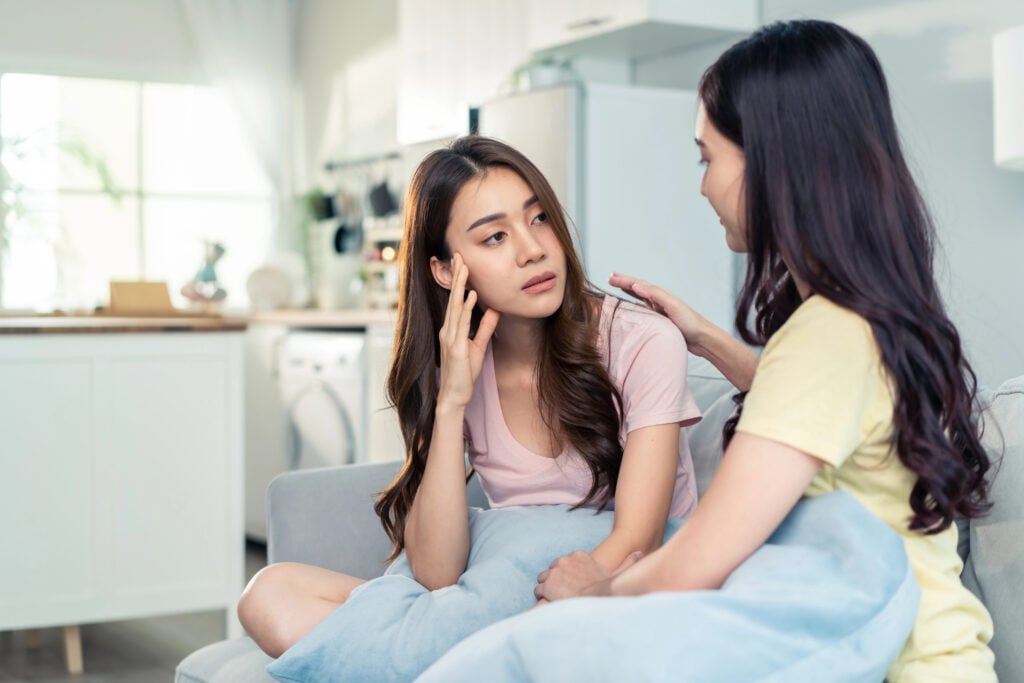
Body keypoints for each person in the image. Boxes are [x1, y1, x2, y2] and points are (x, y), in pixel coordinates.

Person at [534, 19, 996, 683]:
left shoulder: (826, 338)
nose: (702, 186)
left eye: (707, 158)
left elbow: (697, 562)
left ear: (775, 164)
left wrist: (593, 593)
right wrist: (707, 340)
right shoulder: (862, 325)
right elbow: (825, 419)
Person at [238, 135, 701, 658]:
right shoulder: (456, 366)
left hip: (596, 592)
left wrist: (524, 633)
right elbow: (436, 572)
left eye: (539, 218)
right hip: (494, 590)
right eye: (495, 238)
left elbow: (638, 539)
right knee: (267, 594)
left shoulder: (643, 341)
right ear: (444, 270)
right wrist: (452, 399)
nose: (533, 250)